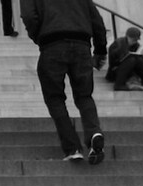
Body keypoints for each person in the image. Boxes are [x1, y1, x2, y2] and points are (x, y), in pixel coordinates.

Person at [24, 0, 107, 162]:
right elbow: (96, 20)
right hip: (82, 45)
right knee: (84, 96)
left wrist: (39, 35)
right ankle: (93, 133)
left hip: (52, 44)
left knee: (54, 98)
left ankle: (72, 147)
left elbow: (28, 16)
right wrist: (100, 50)